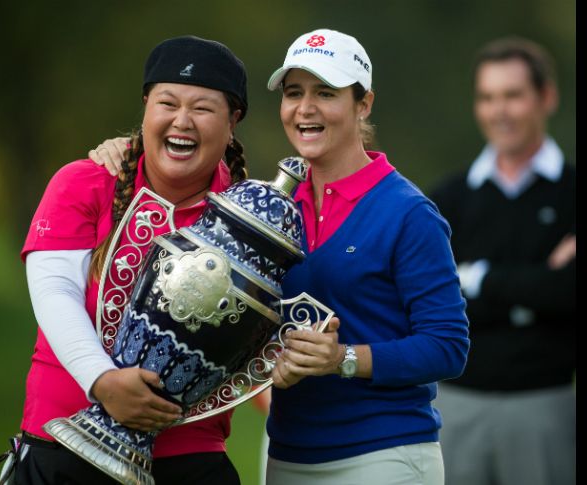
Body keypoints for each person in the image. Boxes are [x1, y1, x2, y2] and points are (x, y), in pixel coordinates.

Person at [91, 28, 469, 485]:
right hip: (288, 455)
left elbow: (448, 346)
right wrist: (123, 147)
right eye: (294, 93)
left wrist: (344, 359)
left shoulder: (408, 213)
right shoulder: (264, 209)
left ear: (363, 104)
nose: (305, 109)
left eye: (325, 93)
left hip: (384, 455)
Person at [13, 35, 250, 485]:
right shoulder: (84, 182)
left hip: (188, 454)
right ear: (145, 106)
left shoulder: (248, 215)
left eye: (202, 108)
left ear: (232, 120)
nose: (182, 121)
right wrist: (101, 381)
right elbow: (54, 291)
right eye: (167, 103)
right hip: (63, 442)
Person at [429, 36, 576, 485]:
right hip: (455, 407)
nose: (500, 111)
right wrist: (535, 287)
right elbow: (433, 306)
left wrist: (475, 278)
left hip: (546, 407)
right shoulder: (446, 199)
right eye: (488, 97)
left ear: (545, 97)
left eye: (513, 95)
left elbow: (569, 294)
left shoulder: (572, 193)